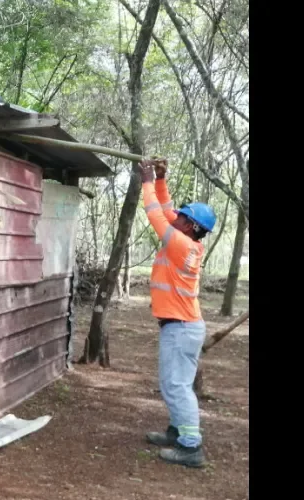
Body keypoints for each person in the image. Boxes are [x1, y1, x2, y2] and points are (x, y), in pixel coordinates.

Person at [138, 158, 216, 468]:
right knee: (174, 381)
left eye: (183, 217)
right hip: (181, 326)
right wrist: (160, 178)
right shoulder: (186, 238)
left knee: (176, 385)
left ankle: (190, 446)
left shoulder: (180, 245)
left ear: (192, 227)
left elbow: (155, 213)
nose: (177, 217)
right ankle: (177, 430)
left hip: (181, 328)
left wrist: (144, 180)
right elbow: (167, 209)